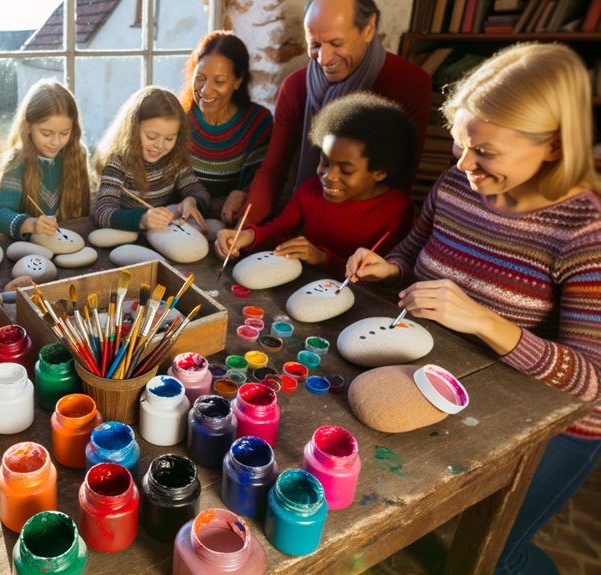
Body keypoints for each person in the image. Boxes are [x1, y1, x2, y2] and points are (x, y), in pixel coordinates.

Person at [345, 43, 601, 575]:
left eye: (484, 151)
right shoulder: (458, 183)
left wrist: (486, 321)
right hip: (459, 378)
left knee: (498, 559)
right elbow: (415, 250)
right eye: (461, 143)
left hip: (557, 424)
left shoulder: (583, 231)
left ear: (553, 147)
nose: (464, 164)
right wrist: (388, 266)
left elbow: (590, 384)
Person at [242, 0, 431, 225]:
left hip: (365, 229)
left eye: (336, 43)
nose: (324, 59)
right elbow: (273, 170)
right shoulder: (295, 87)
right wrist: (245, 226)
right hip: (299, 217)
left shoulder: (409, 84)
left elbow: (399, 186)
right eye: (315, 45)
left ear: (369, 29)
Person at [215, 92, 415, 277]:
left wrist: (322, 258)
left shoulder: (396, 210)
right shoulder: (310, 190)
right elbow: (280, 231)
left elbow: (379, 275)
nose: (329, 176)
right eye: (325, 162)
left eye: (346, 170)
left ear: (379, 172)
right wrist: (246, 236)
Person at [180, 31, 273, 225]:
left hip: (232, 224)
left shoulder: (258, 122)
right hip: (183, 219)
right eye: (200, 78)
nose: (205, 90)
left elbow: (262, 183)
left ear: (238, 81)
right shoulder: (179, 118)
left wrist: (243, 193)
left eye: (219, 81)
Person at [92, 86, 210, 232]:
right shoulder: (118, 161)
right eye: (151, 136)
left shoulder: (175, 159)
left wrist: (192, 201)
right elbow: (102, 212)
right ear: (132, 130)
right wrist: (142, 220)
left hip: (162, 231)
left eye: (169, 138)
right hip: (128, 230)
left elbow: (198, 190)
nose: (159, 145)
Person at [0, 80, 91, 240]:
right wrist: (31, 224)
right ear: (28, 126)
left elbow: (85, 210)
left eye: (64, 133)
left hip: (71, 241)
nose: (56, 142)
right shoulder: (17, 161)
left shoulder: (79, 154)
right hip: (31, 249)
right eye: (46, 133)